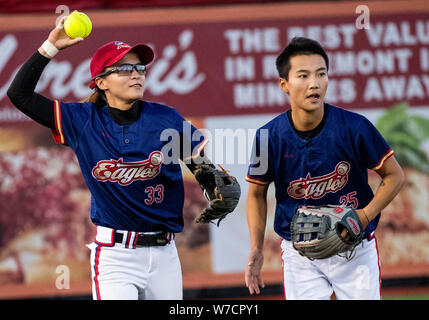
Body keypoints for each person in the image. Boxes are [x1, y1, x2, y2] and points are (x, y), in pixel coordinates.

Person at [7, 17, 238, 300]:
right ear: (101, 82)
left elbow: (198, 163)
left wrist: (213, 181)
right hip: (115, 257)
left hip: (164, 255)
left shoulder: (165, 118)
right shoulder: (81, 121)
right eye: (125, 68)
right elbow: (18, 94)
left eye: (140, 68)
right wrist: (49, 48)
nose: (136, 74)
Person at [244, 37, 405, 300]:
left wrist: (364, 216)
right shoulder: (268, 137)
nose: (314, 83)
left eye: (321, 74)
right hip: (301, 255)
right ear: (284, 84)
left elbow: (395, 175)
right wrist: (256, 248)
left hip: (354, 249)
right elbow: (255, 194)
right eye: (303, 75)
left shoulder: (354, 127)